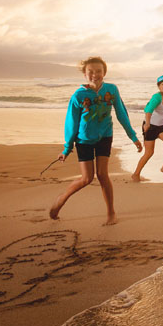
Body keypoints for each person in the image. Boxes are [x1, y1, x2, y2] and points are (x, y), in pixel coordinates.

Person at [49, 56, 142, 225]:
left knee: (102, 175)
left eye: (98, 71)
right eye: (90, 71)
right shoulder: (79, 95)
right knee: (87, 179)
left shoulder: (112, 90)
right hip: (83, 140)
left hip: (105, 136)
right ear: (84, 74)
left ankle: (111, 213)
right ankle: (61, 199)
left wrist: (133, 136)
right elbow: (71, 123)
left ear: (104, 72)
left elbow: (121, 113)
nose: (95, 74)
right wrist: (67, 148)